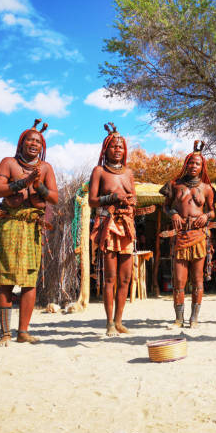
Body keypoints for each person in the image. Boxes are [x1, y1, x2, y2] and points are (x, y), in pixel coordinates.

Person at [0, 119, 58, 346]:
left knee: (29, 281)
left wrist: (39, 187)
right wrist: (22, 183)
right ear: (21, 142)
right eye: (30, 139)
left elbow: (54, 198)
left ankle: (23, 332)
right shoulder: (8, 163)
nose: (34, 143)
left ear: (42, 146)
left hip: (32, 227)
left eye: (38, 141)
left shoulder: (46, 168)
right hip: (9, 224)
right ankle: (5, 333)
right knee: (6, 279)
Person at [160, 141, 215, 328]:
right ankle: (178, 319)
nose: (193, 166)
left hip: (199, 236)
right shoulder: (175, 185)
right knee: (179, 279)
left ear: (202, 167)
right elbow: (165, 207)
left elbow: (213, 211)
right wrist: (173, 213)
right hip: (181, 235)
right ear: (186, 164)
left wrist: (206, 216)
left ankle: (194, 318)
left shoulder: (207, 188)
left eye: (197, 164)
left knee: (198, 278)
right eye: (191, 163)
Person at [89, 123, 136, 336]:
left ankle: (119, 321)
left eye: (121, 147)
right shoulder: (99, 171)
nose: (118, 150)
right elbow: (92, 200)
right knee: (110, 277)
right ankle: (108, 322)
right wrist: (112, 198)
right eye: (114, 147)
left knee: (126, 277)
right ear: (105, 149)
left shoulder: (129, 173)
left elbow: (134, 198)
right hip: (108, 227)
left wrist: (129, 202)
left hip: (126, 227)